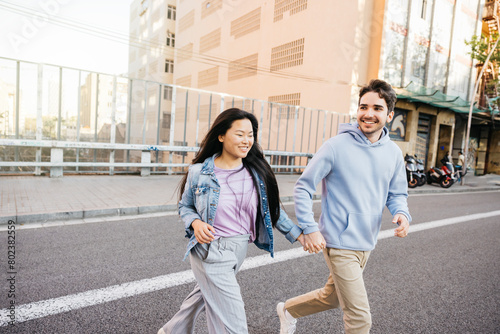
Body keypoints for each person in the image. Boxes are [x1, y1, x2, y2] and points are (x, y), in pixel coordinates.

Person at [277, 79, 411, 334]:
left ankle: (288, 310)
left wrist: (402, 214)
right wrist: (310, 228)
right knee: (360, 319)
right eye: (363, 107)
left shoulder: (393, 153)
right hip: (339, 242)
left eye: (377, 108)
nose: (368, 114)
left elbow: (396, 193)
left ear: (389, 115)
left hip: (366, 241)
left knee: (333, 296)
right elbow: (303, 187)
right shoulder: (336, 146)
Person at [158, 108, 304, 334]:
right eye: (240, 134)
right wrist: (196, 223)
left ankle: (172, 331)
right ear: (221, 136)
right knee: (233, 321)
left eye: (251, 135)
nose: (247, 140)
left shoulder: (256, 171)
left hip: (238, 249)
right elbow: (185, 206)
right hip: (211, 250)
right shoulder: (199, 172)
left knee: (202, 295)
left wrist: (299, 234)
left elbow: (272, 211)